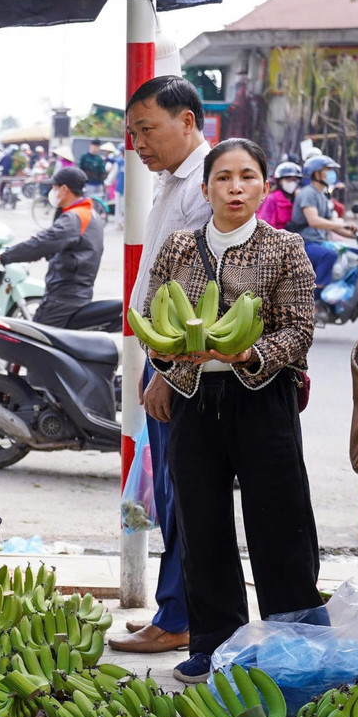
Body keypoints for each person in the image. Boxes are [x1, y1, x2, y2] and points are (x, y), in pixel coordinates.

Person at [141, 138, 322, 683]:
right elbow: (155, 319)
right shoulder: (177, 247)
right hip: (195, 398)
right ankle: (213, 642)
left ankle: (296, 640)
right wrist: (167, 370)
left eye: (247, 176)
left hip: (262, 396)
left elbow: (299, 330)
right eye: (223, 177)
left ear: (263, 186)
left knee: (281, 521)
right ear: (206, 188)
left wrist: (248, 351)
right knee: (200, 522)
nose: (235, 187)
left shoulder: (285, 247)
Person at [111, 75, 213, 657]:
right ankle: (172, 611)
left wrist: (172, 373)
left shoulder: (204, 182)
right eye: (133, 133)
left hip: (183, 363)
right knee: (172, 493)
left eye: (147, 130)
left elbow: (206, 288)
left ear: (188, 121)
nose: (139, 144)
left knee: (182, 493)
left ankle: (178, 618)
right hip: (163, 357)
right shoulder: (171, 180)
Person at [0, 166, 104, 328]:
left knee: (36, 343)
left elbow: (40, 244)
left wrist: (3, 256)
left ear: (64, 189)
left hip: (63, 296)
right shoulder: (90, 212)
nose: (51, 191)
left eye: (54, 187)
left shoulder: (74, 218)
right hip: (77, 292)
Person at [292, 155, 358, 293]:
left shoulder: (321, 195)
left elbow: (332, 224)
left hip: (318, 242)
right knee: (329, 255)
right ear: (317, 173)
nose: (331, 174)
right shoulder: (308, 193)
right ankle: (316, 298)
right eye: (328, 170)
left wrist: (357, 235)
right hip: (304, 243)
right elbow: (314, 221)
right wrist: (342, 225)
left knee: (355, 254)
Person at [256, 161, 303, 231]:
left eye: (295, 180)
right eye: (288, 179)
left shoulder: (296, 198)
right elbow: (265, 226)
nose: (292, 182)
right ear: (280, 181)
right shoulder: (272, 199)